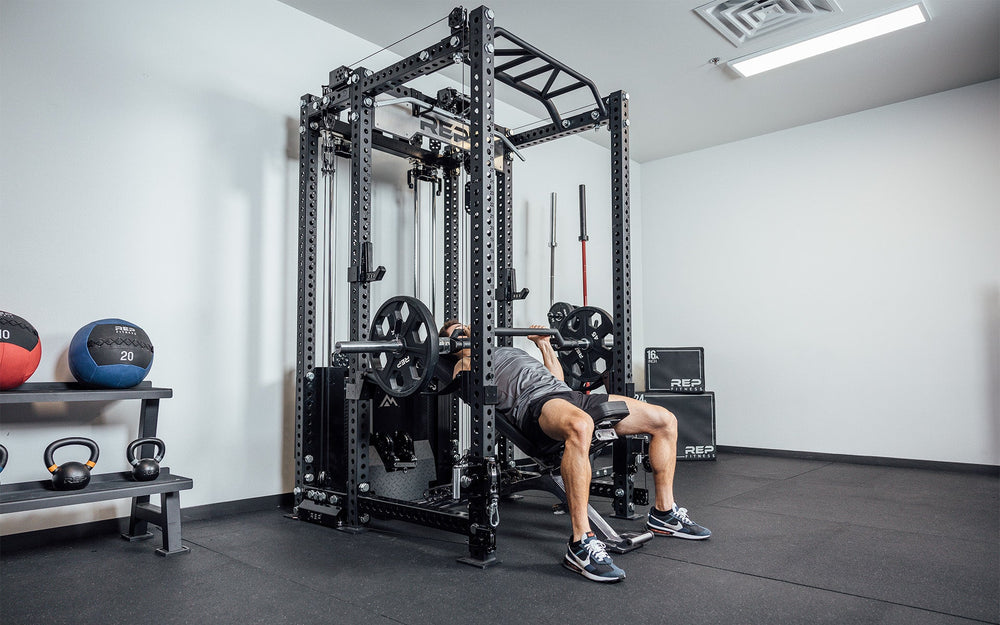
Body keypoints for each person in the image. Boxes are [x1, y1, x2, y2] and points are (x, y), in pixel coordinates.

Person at [440, 319, 711, 583]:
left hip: (570, 396)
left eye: (466, 329)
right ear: (449, 345)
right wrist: (466, 360)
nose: (465, 333)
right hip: (536, 406)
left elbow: (556, 379)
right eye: (457, 335)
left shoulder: (511, 351)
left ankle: (664, 513)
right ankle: (581, 542)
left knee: (665, 420)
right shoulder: (464, 365)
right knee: (582, 425)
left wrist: (544, 345)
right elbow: (472, 393)